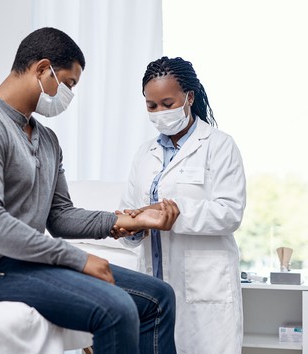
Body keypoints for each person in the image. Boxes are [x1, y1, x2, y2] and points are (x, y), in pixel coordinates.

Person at [0, 28, 180, 354]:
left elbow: (60, 216)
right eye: (68, 83)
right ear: (42, 69)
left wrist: (128, 221)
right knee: (116, 309)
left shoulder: (46, 140)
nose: (69, 95)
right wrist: (78, 259)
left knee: (159, 297)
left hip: (24, 260)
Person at [118, 56, 246, 353]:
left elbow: (230, 213)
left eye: (167, 103)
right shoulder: (144, 153)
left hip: (203, 286)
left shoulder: (218, 145)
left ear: (188, 97)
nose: (159, 112)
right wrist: (133, 226)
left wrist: (172, 214)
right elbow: (131, 209)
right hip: (154, 288)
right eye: (152, 106)